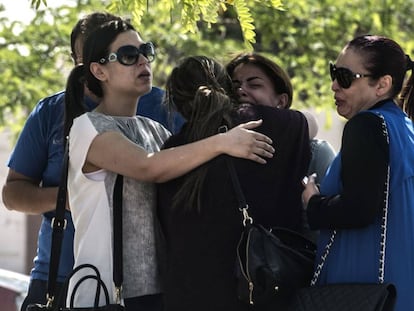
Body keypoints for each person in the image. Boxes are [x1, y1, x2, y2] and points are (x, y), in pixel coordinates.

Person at [64, 19, 274, 310]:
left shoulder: (155, 130)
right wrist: (224, 142)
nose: (142, 61)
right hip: (108, 294)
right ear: (99, 71)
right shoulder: (87, 128)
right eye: (128, 55)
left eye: (145, 51)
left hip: (164, 290)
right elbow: (149, 167)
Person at [1, 11, 181, 311]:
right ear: (87, 64)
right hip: (59, 274)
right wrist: (70, 198)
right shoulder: (51, 112)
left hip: (144, 281)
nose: (138, 60)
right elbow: (13, 194)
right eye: (122, 53)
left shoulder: (160, 106)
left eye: (140, 51)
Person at [156, 56, 310, 311]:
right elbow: (307, 123)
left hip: (186, 294)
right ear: (225, 88)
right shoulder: (265, 123)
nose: (242, 90)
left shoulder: (171, 151)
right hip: (257, 291)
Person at [302, 35, 414, 311]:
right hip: (399, 285)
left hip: (365, 289)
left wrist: (312, 202)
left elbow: (359, 208)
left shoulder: (366, 125)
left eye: (345, 76)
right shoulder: (405, 128)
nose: (334, 85)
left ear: (382, 85)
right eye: (333, 72)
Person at [226, 52, 336, 185]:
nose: (240, 90)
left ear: (281, 101)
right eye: (234, 86)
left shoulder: (315, 152)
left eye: (254, 85)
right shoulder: (216, 142)